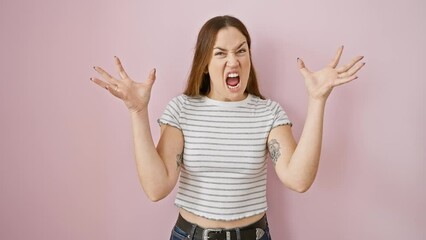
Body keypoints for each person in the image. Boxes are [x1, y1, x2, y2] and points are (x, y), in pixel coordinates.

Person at [91, 15, 365, 240]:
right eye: (220, 53)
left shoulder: (268, 113)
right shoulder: (182, 109)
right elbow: (156, 188)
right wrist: (138, 112)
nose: (233, 61)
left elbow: (299, 179)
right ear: (206, 64)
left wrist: (317, 101)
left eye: (241, 51)